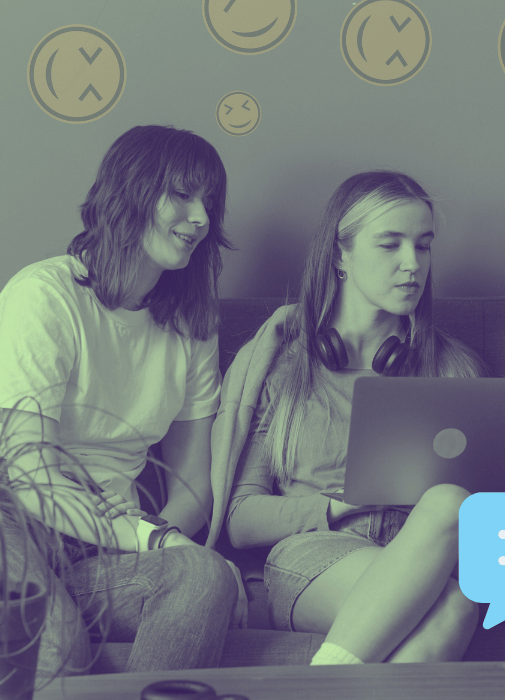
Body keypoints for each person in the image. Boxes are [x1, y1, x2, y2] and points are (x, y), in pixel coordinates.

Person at [0, 125, 244, 684]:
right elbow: (26, 469)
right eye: (183, 196)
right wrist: (151, 538)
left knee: (205, 576)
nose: (202, 219)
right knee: (58, 647)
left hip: (96, 546)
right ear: (131, 191)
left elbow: (193, 482)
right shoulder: (44, 298)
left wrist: (157, 541)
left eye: (209, 203)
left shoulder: (193, 325)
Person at [206, 171, 484, 665]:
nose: (411, 265)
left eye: (423, 246)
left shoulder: (454, 367)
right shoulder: (283, 364)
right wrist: (342, 502)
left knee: (460, 596)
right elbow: (241, 519)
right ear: (340, 254)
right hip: (312, 556)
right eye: (389, 245)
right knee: (446, 516)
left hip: (428, 557)